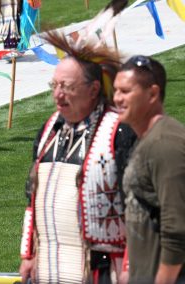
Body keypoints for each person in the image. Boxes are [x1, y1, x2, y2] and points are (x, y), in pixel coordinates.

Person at [19, 31, 136, 284]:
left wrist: (130, 264)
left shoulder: (119, 132)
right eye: (55, 85)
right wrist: (27, 254)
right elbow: (32, 197)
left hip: (102, 271)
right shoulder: (49, 129)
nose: (58, 95)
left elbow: (139, 206)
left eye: (67, 87)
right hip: (49, 265)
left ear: (94, 90)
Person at [114, 55, 185, 283]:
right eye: (116, 91)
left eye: (125, 91)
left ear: (153, 94)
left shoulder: (165, 143)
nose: (117, 99)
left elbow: (177, 228)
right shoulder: (145, 140)